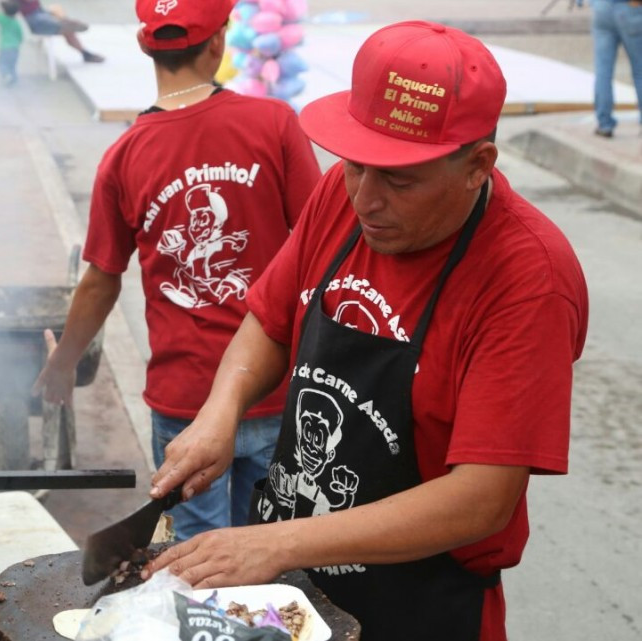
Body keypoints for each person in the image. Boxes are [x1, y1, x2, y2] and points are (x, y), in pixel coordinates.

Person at [143, 21, 589, 641]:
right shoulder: (344, 192)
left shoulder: (527, 278)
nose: (364, 198)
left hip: (416, 607)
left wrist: (275, 543)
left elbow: (482, 497)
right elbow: (270, 322)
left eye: (399, 180)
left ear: (477, 165)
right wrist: (222, 411)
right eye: (356, 164)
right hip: (292, 589)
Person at [32, 0, 321, 541]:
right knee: (272, 551)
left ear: (146, 47)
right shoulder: (275, 123)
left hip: (186, 398)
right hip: (272, 385)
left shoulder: (124, 155)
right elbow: (321, 240)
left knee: (197, 565)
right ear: (219, 43)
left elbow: (100, 279)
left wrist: (64, 364)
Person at [590, 0, 642, 137]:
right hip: (631, 8)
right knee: (640, 70)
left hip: (601, 8)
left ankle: (604, 123)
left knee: (603, 71)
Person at [17, 0, 104, 64]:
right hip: (34, 21)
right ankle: (63, 24)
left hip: (40, 13)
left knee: (56, 9)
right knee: (67, 30)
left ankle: (64, 22)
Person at [0, 0, 23, 85]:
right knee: (12, 65)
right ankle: (13, 77)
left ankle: (6, 75)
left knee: (1, 63)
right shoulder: (16, 23)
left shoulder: (3, 20)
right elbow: (20, 36)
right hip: (15, 49)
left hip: (4, 48)